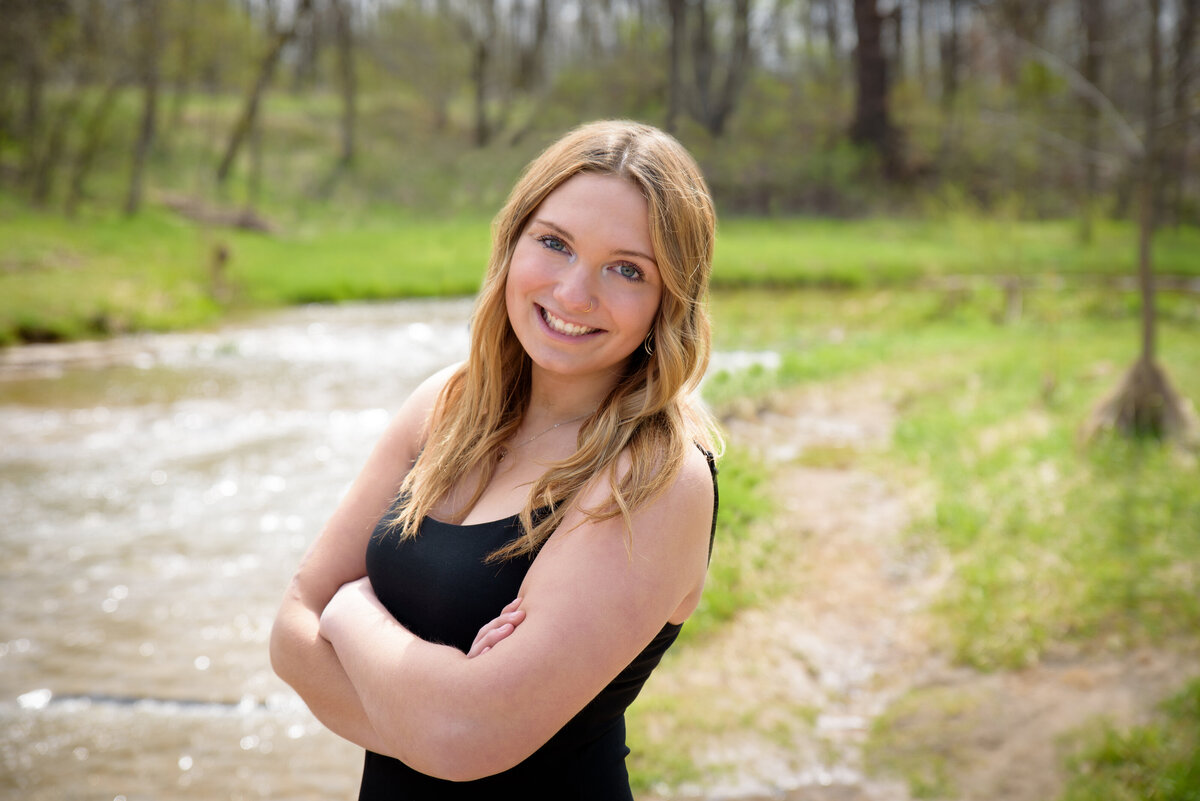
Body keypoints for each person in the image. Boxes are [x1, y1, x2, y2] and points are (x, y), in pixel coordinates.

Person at [269, 119, 721, 800]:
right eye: (555, 243)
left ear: (670, 300)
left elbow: (460, 733)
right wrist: (439, 722)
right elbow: (289, 632)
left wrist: (352, 612)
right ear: (513, 242)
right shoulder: (445, 406)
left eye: (627, 269)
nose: (574, 293)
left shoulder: (655, 475)